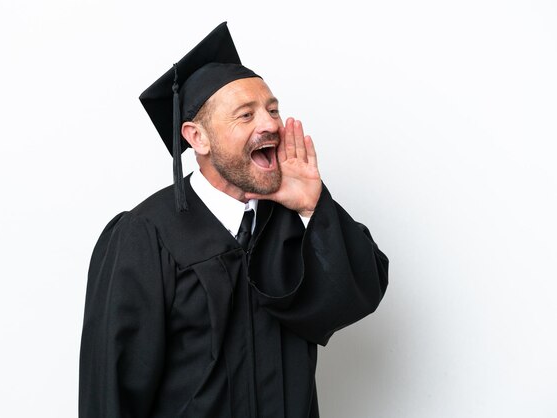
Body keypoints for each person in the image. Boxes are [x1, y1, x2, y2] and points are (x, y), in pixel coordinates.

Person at [79, 22, 388, 418]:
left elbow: (357, 297)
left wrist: (314, 207)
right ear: (197, 138)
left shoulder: (292, 220)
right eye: (246, 115)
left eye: (273, 109)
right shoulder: (145, 236)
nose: (271, 124)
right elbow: (111, 389)